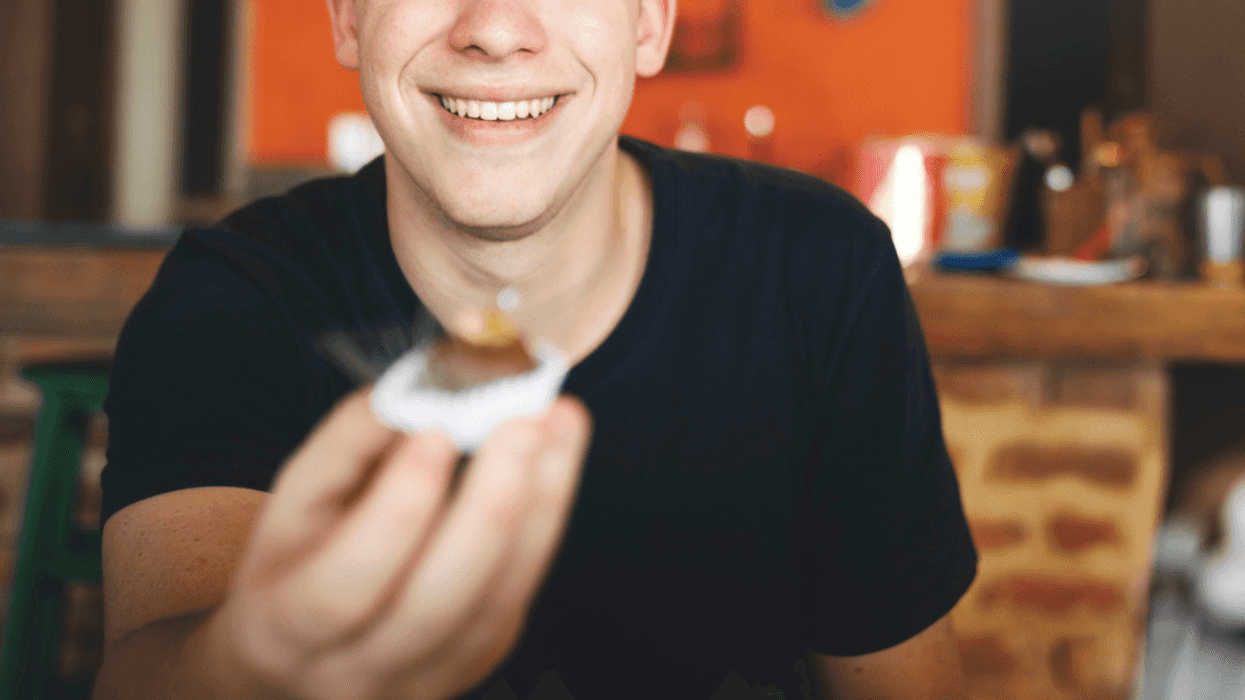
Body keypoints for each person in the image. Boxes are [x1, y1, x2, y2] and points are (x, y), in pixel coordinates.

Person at [92, 0, 979, 698]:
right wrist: (254, 663)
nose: (494, 29)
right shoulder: (231, 299)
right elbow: (142, 669)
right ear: (347, 19)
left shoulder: (821, 270)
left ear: (648, 24)